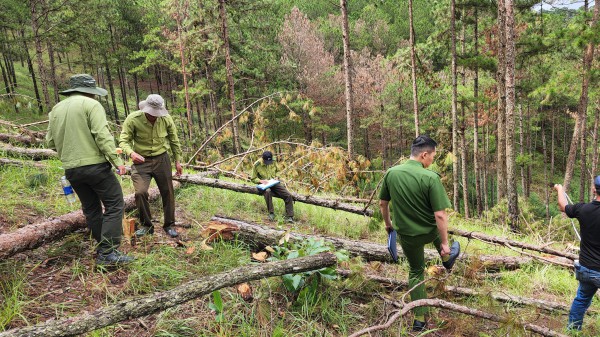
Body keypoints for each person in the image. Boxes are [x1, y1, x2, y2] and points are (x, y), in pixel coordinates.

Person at [46, 74, 133, 266]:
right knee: (115, 204)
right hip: (95, 167)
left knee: (91, 208)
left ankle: (103, 247)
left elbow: (50, 142)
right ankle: (108, 253)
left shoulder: (56, 109)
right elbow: (102, 135)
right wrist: (117, 162)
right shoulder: (91, 105)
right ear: (90, 91)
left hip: (71, 170)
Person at [378, 135, 460, 332]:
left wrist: (388, 225)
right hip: (430, 231)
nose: (433, 160)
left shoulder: (391, 173)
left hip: (408, 235)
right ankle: (447, 257)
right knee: (440, 238)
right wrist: (445, 243)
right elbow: (440, 215)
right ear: (424, 155)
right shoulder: (430, 178)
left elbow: (383, 203)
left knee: (416, 271)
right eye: (433, 156)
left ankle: (419, 320)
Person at [119, 94, 182, 238]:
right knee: (140, 192)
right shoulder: (133, 119)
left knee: (168, 192)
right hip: (141, 162)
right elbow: (123, 141)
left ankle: (169, 225)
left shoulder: (166, 119)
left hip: (162, 160)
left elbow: (174, 140)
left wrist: (178, 160)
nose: (154, 116)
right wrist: (131, 153)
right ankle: (147, 226)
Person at [554, 176, 600, 331]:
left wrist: (560, 189)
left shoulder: (583, 209)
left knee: (581, 300)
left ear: (594, 189)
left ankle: (573, 331)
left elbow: (562, 206)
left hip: (586, 269)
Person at [251, 151, 294, 223]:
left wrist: (277, 177)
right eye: (267, 162)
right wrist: (261, 181)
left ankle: (290, 216)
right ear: (263, 159)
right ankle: (271, 213)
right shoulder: (257, 165)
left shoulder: (273, 161)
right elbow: (253, 178)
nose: (268, 163)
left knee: (288, 195)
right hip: (264, 184)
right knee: (268, 192)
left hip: (273, 182)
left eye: (269, 161)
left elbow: (278, 171)